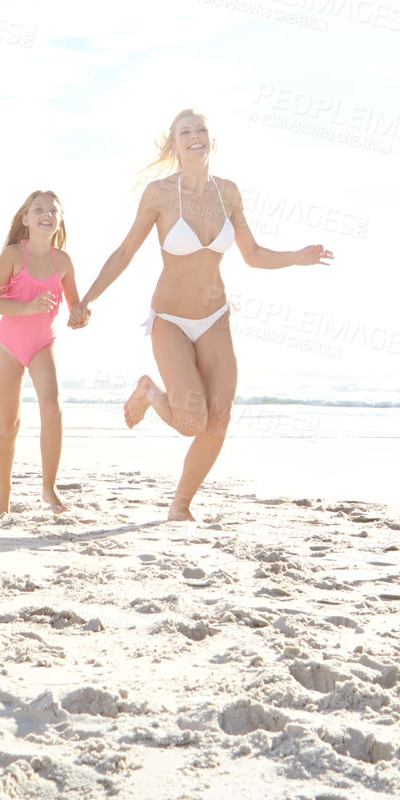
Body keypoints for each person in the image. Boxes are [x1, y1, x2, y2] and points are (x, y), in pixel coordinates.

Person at [69, 109, 333, 521]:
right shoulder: (159, 193)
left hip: (215, 318)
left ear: (212, 140)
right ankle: (149, 392)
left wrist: (297, 258)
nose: (195, 136)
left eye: (202, 130)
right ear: (174, 145)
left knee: (219, 419)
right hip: (171, 319)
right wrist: (88, 299)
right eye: (185, 132)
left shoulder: (228, 193)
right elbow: (125, 253)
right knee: (192, 421)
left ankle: (180, 506)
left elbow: (254, 254)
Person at [0, 189, 82, 517]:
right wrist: (27, 307)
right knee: (8, 423)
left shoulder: (64, 262)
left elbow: (75, 309)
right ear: (25, 219)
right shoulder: (14, 255)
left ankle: (49, 487)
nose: (46, 214)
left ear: (60, 220)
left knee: (53, 407)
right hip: (8, 346)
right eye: (38, 209)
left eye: (53, 210)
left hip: (43, 344)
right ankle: (4, 492)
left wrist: (80, 316)